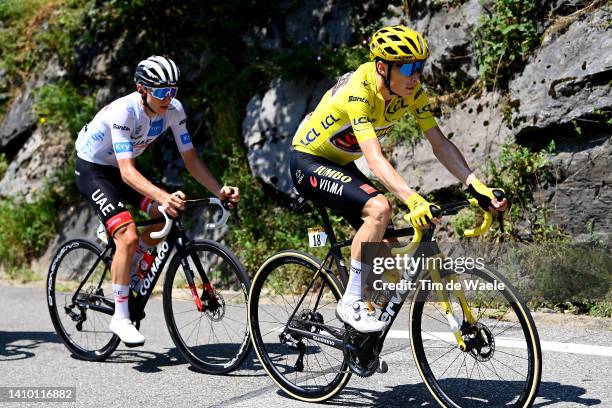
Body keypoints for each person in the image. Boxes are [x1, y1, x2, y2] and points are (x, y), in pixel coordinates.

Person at [289, 25, 507, 333]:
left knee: (390, 254)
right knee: (380, 209)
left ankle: (359, 336)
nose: (415, 75)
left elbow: (439, 142)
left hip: (340, 163)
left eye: (420, 66)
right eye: (407, 67)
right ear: (383, 67)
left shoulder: (412, 92)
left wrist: (476, 184)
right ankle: (350, 301)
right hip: (308, 160)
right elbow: (374, 158)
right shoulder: (359, 92)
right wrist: (413, 200)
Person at [75, 55, 240, 346]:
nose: (168, 98)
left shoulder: (173, 110)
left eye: (173, 90)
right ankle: (121, 316)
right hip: (94, 169)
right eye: (162, 91)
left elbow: (190, 159)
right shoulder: (124, 112)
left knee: (164, 215)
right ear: (142, 89)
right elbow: (126, 172)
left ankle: (127, 260)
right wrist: (162, 195)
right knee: (127, 234)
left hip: (122, 169)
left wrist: (218, 191)